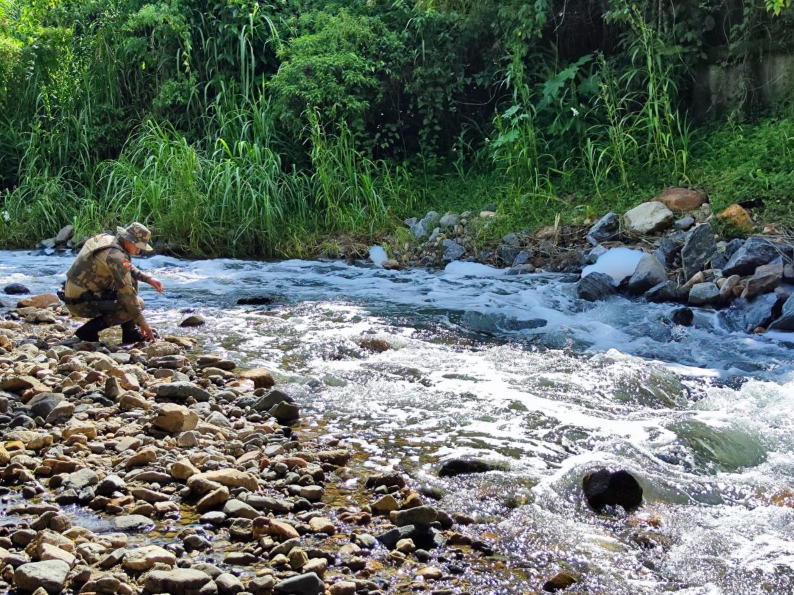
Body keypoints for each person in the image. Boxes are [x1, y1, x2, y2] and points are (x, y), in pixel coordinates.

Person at [61, 222, 164, 343]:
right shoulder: (116, 256)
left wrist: (147, 278)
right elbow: (128, 294)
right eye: (138, 247)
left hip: (76, 295)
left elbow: (126, 267)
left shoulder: (109, 240)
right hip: (80, 303)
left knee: (130, 279)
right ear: (129, 241)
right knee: (137, 303)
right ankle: (88, 331)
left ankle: (130, 333)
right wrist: (143, 323)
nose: (138, 252)